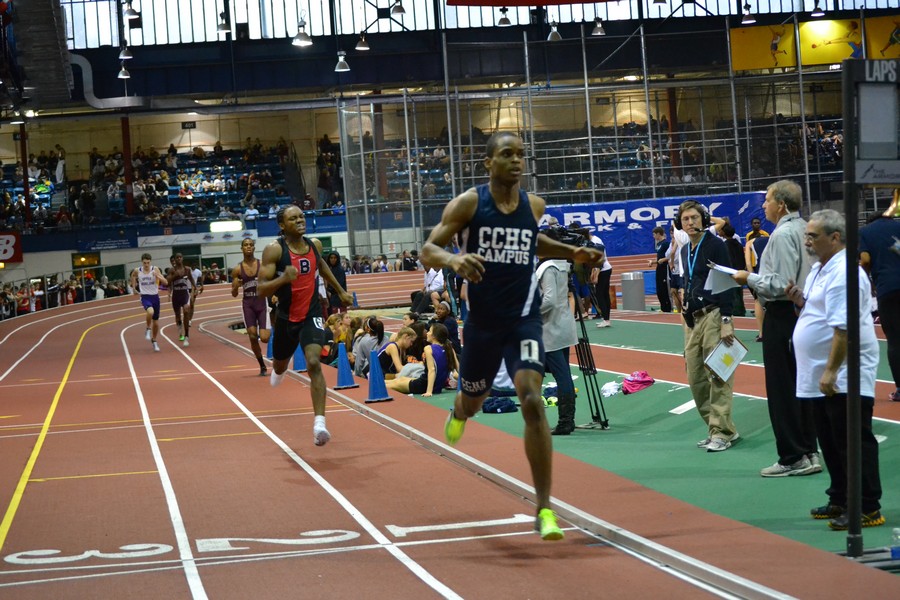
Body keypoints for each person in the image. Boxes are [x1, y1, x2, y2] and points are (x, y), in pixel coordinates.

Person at [421, 131, 604, 541]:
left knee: (533, 399)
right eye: (507, 154)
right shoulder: (469, 204)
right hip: (483, 325)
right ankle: (459, 412)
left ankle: (544, 510)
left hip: (523, 319)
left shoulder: (533, 205)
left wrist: (570, 252)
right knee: (473, 402)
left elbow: (530, 243)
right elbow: (428, 249)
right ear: (489, 163)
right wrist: (453, 258)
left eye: (521, 154)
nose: (517, 160)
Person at [785, 210, 883, 530]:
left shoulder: (845, 273)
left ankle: (867, 505)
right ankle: (840, 496)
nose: (807, 239)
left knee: (852, 439)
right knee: (829, 438)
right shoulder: (820, 269)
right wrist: (800, 300)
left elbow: (845, 328)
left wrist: (830, 371)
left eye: (813, 235)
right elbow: (819, 311)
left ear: (835, 238)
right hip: (821, 371)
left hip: (844, 371)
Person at [733, 180, 817, 477]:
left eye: (767, 200)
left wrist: (747, 278)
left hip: (783, 314)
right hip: (804, 313)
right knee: (803, 385)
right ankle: (808, 450)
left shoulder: (781, 235)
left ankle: (792, 456)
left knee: (782, 389)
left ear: (781, 204)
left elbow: (780, 284)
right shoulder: (805, 227)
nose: (763, 205)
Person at [257, 206, 353, 447]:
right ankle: (279, 370)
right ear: (282, 225)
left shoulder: (314, 245)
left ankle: (319, 424)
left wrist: (340, 291)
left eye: (301, 216)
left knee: (312, 362)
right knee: (279, 365)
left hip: (311, 315)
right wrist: (282, 279)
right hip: (287, 318)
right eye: (293, 218)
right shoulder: (274, 250)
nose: (300, 220)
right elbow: (261, 289)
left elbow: (321, 267)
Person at [678, 200, 739, 453]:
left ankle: (721, 432)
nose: (690, 223)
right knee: (695, 378)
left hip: (714, 316)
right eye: (685, 219)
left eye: (694, 218)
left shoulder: (716, 245)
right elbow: (688, 278)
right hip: (691, 320)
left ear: (703, 219)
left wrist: (727, 320)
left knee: (718, 375)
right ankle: (717, 428)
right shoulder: (684, 250)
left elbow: (726, 282)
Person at [859, 191, 900, 402]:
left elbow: (864, 260)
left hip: (888, 290)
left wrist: (867, 281)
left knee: (894, 340)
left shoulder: (865, 232)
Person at [536, 245, 579, 435]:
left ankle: (565, 422)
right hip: (563, 324)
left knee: (562, 376)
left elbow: (549, 300)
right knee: (565, 375)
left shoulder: (547, 268)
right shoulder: (563, 265)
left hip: (551, 328)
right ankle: (568, 420)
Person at [231, 238, 271, 376]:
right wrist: (236, 286)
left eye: (251, 245)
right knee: (253, 336)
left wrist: (274, 294)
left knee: (264, 338)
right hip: (248, 304)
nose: (248, 247)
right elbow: (234, 294)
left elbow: (271, 283)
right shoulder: (237, 269)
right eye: (245, 245)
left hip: (261, 303)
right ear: (241, 248)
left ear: (254, 248)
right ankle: (262, 365)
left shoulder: (262, 266)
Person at [387, 323, 458, 397]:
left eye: (429, 331)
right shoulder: (449, 348)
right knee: (401, 379)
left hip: (424, 384)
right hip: (435, 384)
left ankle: (375, 387)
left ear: (434, 336)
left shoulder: (428, 349)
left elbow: (432, 370)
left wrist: (429, 391)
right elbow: (458, 367)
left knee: (395, 384)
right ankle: (376, 383)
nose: (427, 333)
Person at [131, 253, 168, 352]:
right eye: (144, 263)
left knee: (156, 322)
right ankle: (148, 329)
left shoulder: (155, 269)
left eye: (148, 263)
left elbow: (166, 282)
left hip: (155, 297)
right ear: (142, 262)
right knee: (150, 312)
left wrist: (158, 276)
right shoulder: (137, 270)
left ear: (150, 262)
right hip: (145, 296)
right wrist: (134, 288)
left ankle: (154, 340)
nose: (146, 265)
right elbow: (133, 276)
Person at [167, 253, 196, 347]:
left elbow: (191, 279)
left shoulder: (187, 269)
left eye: (180, 257)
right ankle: (180, 333)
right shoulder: (172, 270)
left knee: (186, 310)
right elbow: (168, 282)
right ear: (174, 260)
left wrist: (196, 287)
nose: (179, 259)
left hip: (184, 294)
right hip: (176, 295)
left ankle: (187, 335)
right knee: (178, 316)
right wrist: (174, 276)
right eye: (177, 257)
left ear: (182, 258)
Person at [649, 226, 672, 312]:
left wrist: (663, 260)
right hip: (659, 268)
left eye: (654, 234)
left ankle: (668, 307)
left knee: (664, 288)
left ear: (659, 234)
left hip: (665, 269)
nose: (653, 236)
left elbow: (669, 256)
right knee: (659, 289)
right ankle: (663, 307)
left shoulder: (666, 244)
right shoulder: (658, 244)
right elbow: (660, 258)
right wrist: (653, 262)